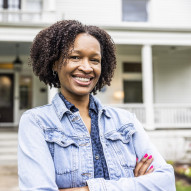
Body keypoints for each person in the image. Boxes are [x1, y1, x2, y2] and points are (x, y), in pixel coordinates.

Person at [18, 20, 175, 191]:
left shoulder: (125, 121)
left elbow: (166, 182)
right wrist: (136, 184)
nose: (86, 67)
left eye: (94, 60)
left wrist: (88, 189)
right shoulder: (37, 122)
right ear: (55, 63)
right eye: (75, 57)